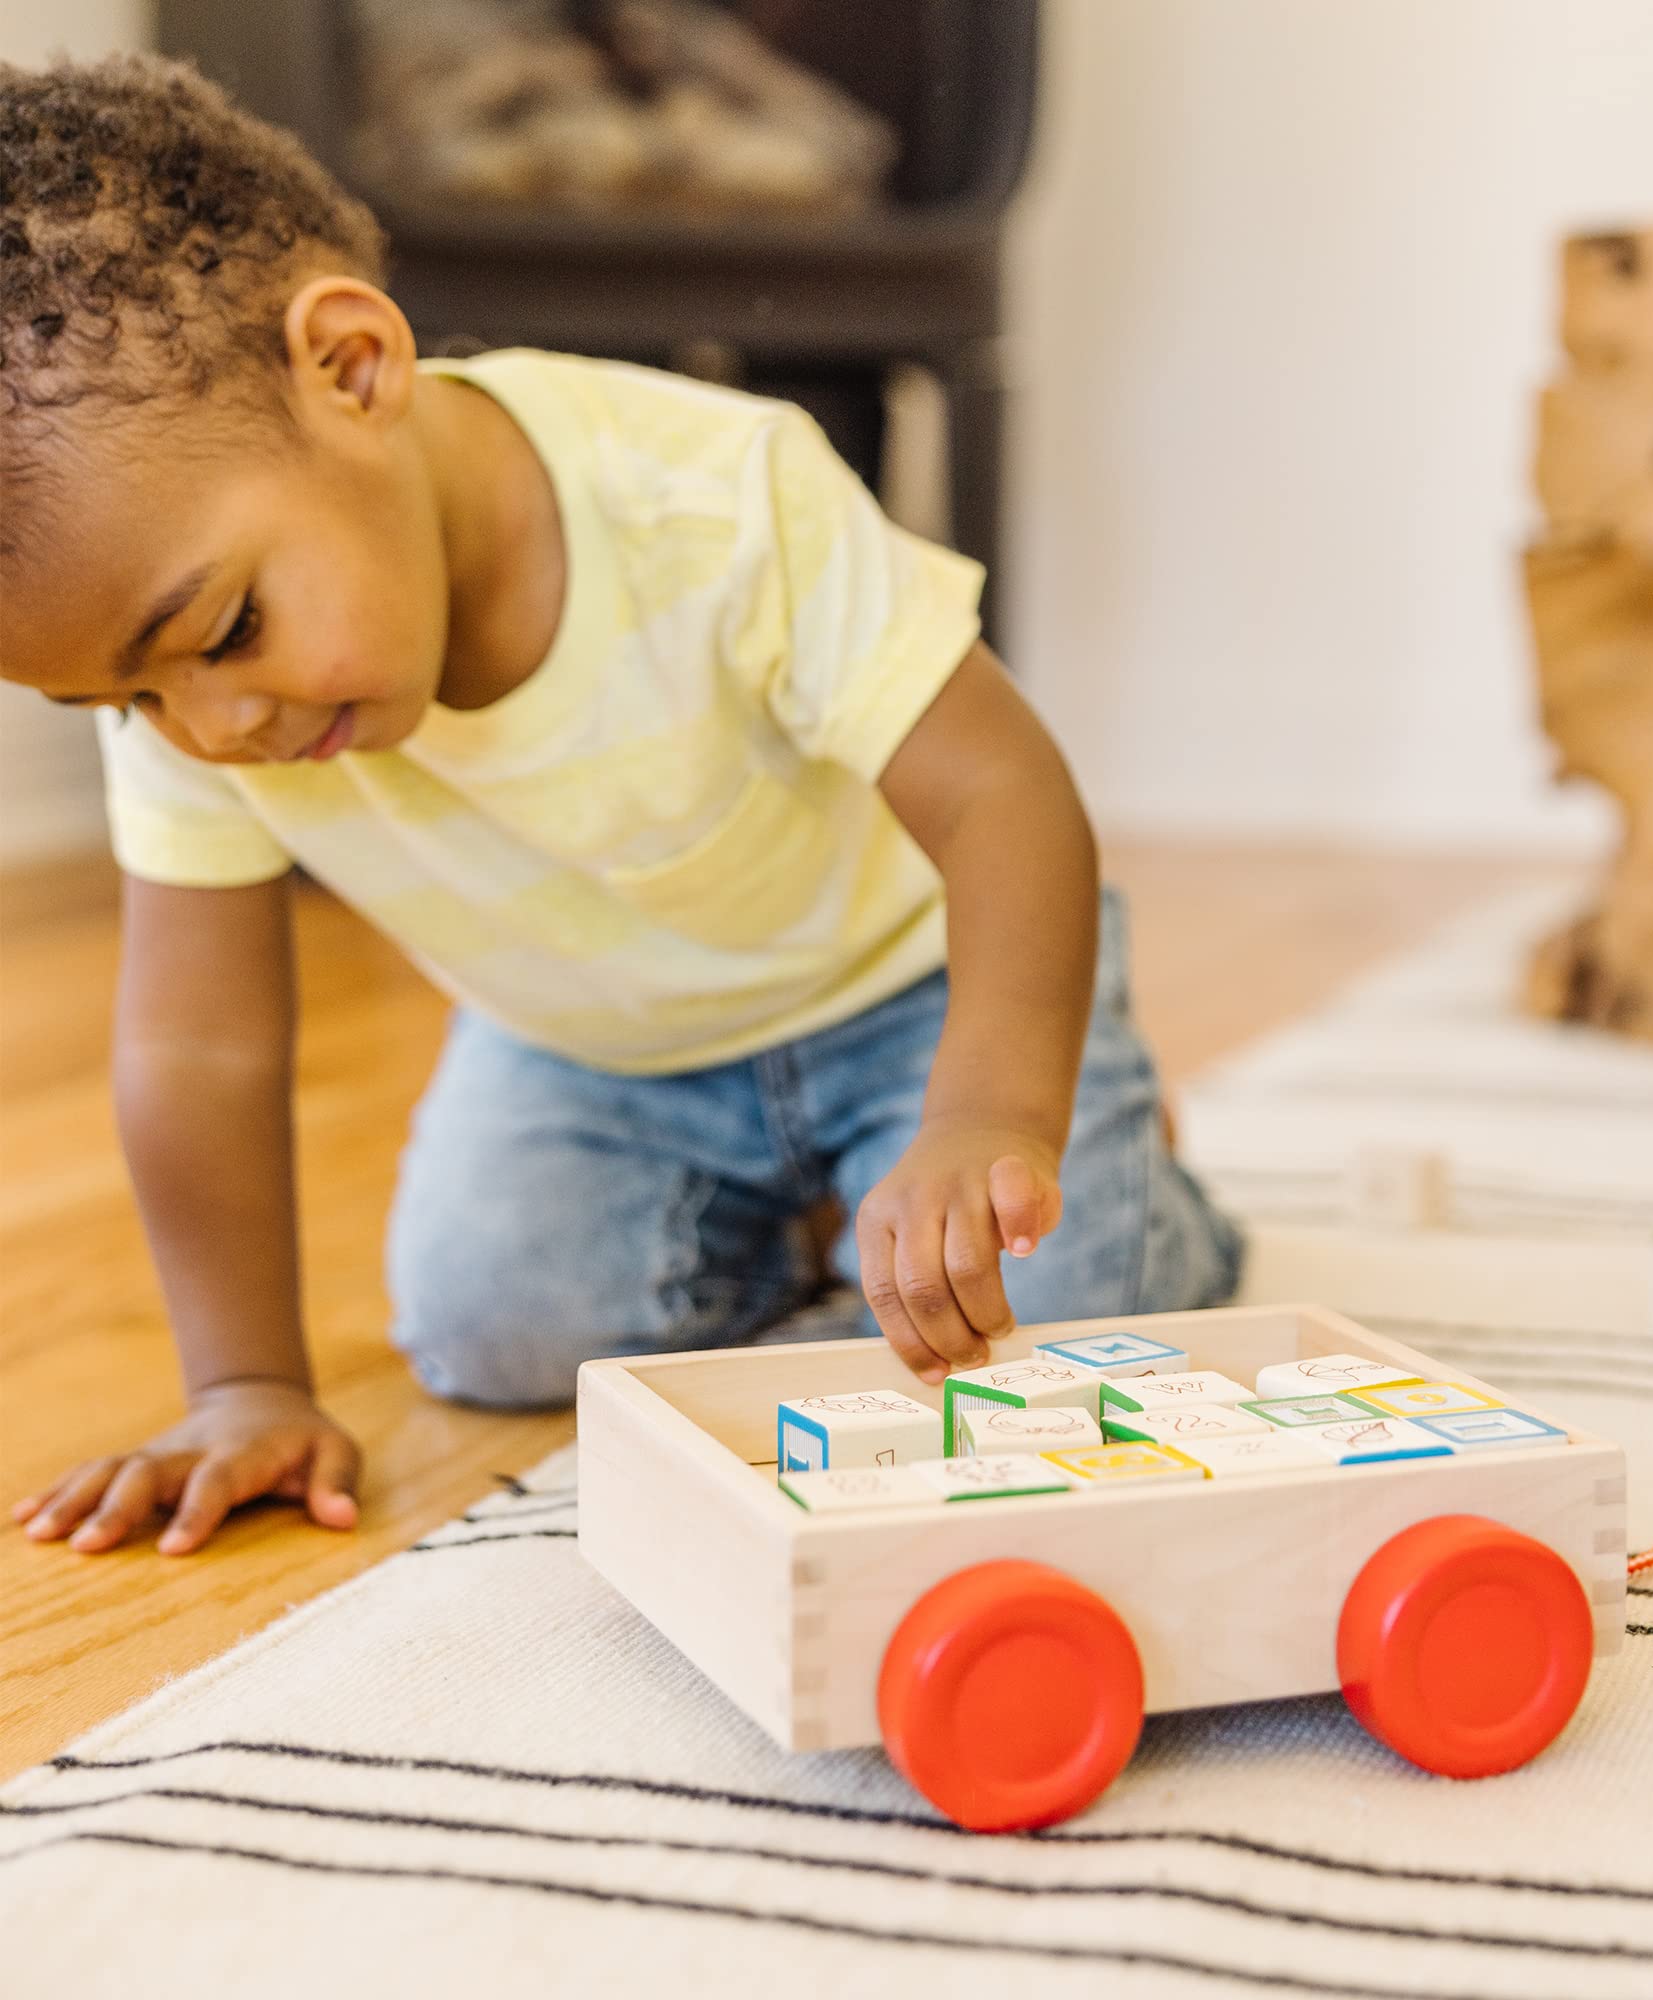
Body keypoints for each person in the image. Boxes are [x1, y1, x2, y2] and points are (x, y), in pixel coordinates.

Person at [1, 56, 1242, 1557]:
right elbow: (194, 1038)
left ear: (349, 369)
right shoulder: (188, 681)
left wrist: (990, 1108)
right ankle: (815, 1218)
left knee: (1066, 1317)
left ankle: (1109, 1139)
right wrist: (244, 1381)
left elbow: (1005, 794)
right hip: (599, 1046)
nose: (208, 727)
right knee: (494, 1333)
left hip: (917, 992)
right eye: (123, 702)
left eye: (223, 636)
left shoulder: (713, 502)